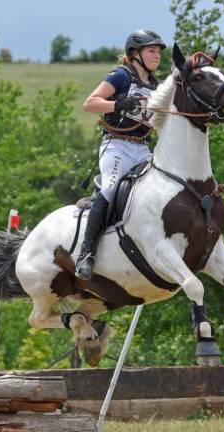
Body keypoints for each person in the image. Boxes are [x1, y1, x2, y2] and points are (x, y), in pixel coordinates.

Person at [75, 30, 166, 280]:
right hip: (116, 146)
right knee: (111, 189)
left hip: (143, 148)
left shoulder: (157, 86)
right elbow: (89, 103)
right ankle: (86, 253)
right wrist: (118, 104)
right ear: (135, 54)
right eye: (151, 51)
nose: (157, 55)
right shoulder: (121, 76)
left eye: (158, 52)